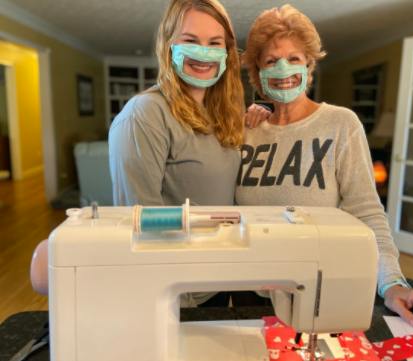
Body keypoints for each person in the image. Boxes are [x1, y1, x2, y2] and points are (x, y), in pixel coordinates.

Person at [236, 4, 413, 337]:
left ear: (309, 65)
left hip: (320, 297)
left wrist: (394, 284)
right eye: (271, 60)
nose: (283, 68)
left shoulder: (340, 124)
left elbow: (367, 213)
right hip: (249, 296)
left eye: (294, 58)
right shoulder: (245, 130)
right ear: (257, 71)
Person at [31, 0, 266, 307]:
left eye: (214, 43)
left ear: (227, 52)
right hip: (178, 291)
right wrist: (178, 303)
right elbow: (140, 223)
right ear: (168, 45)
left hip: (215, 278)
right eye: (190, 41)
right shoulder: (145, 115)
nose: (203, 52)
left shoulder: (220, 113)